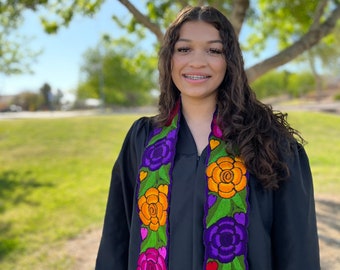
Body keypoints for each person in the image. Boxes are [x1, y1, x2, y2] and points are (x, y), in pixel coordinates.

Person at [95, 5, 320, 270]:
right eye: (184, 49)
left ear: (230, 61)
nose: (197, 61)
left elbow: (298, 253)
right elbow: (116, 240)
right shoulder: (142, 140)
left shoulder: (271, 143)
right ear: (170, 58)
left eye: (214, 50)